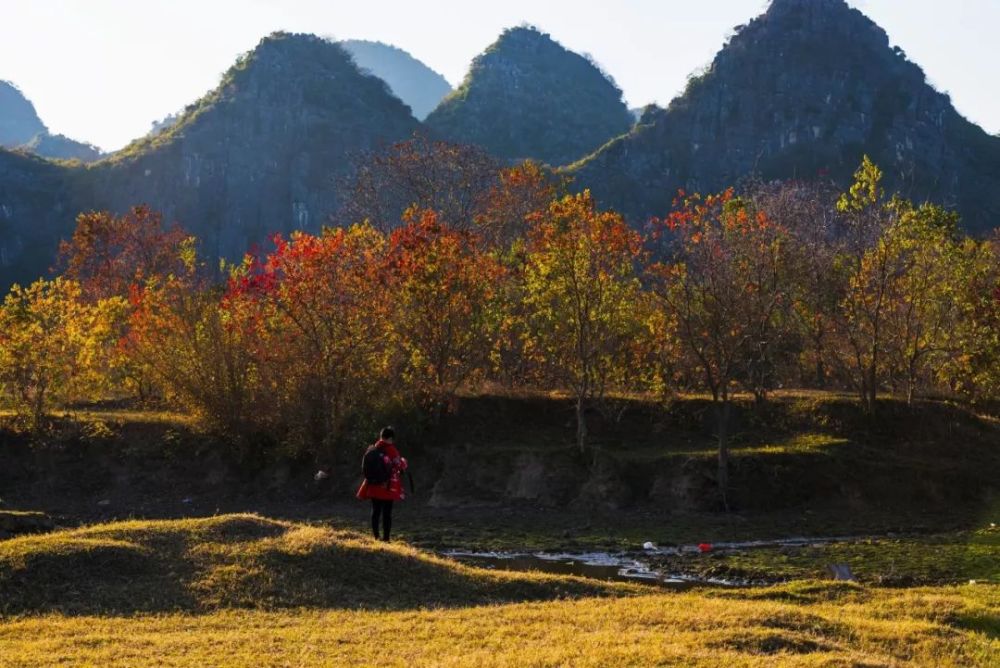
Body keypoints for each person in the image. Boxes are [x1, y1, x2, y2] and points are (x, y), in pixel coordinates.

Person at [356, 426, 408, 541]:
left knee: (375, 511)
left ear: (381, 436)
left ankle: (376, 537)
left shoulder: (373, 448)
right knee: (387, 513)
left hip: (373, 485)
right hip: (387, 487)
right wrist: (404, 462)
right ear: (390, 438)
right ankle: (386, 538)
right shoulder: (391, 449)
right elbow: (399, 465)